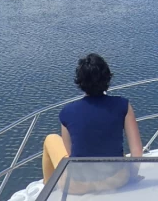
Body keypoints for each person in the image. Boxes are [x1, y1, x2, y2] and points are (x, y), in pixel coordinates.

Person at [42, 54, 143, 187]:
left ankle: (47, 189)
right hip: (115, 181)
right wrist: (132, 176)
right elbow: (137, 152)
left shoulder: (67, 112)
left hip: (78, 185)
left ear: (80, 82)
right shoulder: (123, 105)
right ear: (107, 78)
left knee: (50, 139)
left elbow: (71, 153)